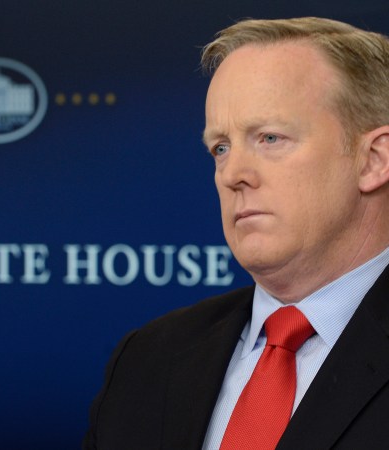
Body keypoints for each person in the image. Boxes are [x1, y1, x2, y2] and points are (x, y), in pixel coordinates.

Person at [83, 17, 389, 450]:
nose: (233, 174)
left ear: (374, 160)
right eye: (221, 148)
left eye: (270, 138)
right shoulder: (147, 360)